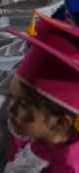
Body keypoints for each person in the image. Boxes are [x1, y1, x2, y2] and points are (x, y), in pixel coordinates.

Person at [5, 12, 79, 171]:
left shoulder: (65, 168)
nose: (10, 109)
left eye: (23, 104)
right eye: (11, 97)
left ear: (60, 122)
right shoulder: (34, 135)